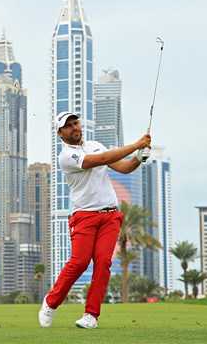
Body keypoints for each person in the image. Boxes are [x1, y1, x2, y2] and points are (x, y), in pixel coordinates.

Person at [38, 111, 151, 329]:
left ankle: (91, 315)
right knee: (80, 262)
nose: (75, 127)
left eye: (76, 122)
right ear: (60, 133)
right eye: (69, 126)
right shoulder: (66, 156)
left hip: (110, 215)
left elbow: (123, 167)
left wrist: (138, 157)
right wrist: (136, 145)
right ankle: (50, 304)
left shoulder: (96, 145)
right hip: (84, 216)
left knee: (103, 262)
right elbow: (101, 160)